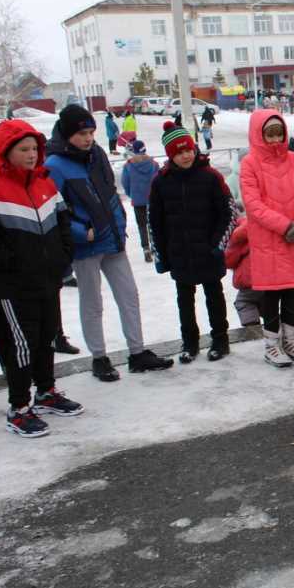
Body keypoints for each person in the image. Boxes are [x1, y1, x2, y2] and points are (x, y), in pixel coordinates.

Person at [45, 105, 174, 381]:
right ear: (68, 134)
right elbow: (54, 209)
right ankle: (99, 358)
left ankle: (137, 353)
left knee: (129, 296)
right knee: (92, 303)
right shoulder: (54, 165)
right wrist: (82, 232)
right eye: (82, 133)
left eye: (91, 132)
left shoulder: (97, 154)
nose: (88, 138)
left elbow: (110, 192)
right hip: (87, 246)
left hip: (112, 239)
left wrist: (118, 222)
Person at [0, 120, 83, 438]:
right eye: (23, 149)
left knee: (46, 338)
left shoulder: (45, 183)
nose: (31, 155)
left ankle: (46, 392)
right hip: (12, 287)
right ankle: (18, 408)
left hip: (47, 279)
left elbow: (62, 222)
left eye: (34, 149)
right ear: (6, 152)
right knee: (20, 346)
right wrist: (15, 263)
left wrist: (62, 256)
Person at [149, 122, 235, 363]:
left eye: (188, 149)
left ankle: (220, 340)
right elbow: (154, 221)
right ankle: (190, 343)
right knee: (184, 301)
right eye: (178, 152)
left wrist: (217, 245)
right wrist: (162, 255)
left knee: (214, 297)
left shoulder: (211, 176)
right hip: (180, 253)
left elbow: (228, 212)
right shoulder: (161, 182)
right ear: (170, 155)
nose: (185, 155)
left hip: (208, 252)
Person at [241, 111, 294, 368]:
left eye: (278, 134)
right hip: (270, 240)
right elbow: (253, 204)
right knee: (271, 295)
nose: (274, 140)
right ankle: (271, 344)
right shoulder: (249, 163)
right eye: (269, 135)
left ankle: (290, 339)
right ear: (258, 135)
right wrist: (285, 226)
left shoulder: (293, 159)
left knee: (291, 290)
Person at [120, 140, 158, 262]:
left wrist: (130, 193)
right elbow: (159, 180)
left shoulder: (128, 165)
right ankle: (155, 246)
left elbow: (125, 182)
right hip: (153, 199)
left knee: (142, 225)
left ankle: (146, 248)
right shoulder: (154, 164)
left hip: (138, 201)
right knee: (154, 223)